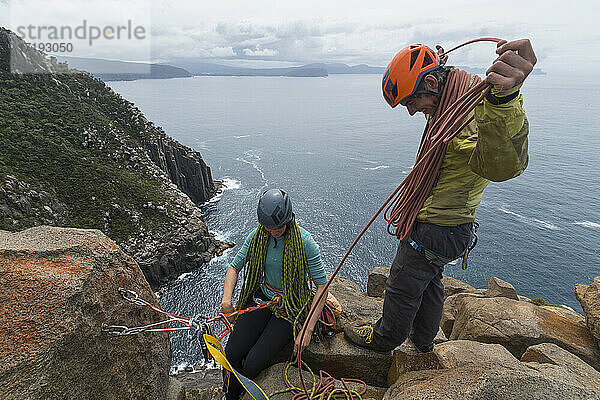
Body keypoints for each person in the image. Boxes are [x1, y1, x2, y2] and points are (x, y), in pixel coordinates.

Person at [344, 39, 537, 353]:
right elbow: (437, 98)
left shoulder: (472, 115)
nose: (411, 112)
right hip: (454, 228)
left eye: (411, 101)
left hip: (438, 226)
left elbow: (503, 165)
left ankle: (385, 339)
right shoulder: (450, 96)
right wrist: (438, 64)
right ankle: (422, 341)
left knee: (402, 283)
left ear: (432, 83)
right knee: (431, 280)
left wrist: (506, 99)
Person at [221, 189, 329, 400]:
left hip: (290, 305)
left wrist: (307, 329)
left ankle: (243, 393)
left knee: (253, 362)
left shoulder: (305, 243)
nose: (274, 231)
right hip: (265, 297)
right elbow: (234, 267)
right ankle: (231, 395)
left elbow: (322, 286)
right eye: (269, 227)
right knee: (232, 352)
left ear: (289, 219)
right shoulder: (259, 236)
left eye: (278, 226)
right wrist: (227, 301)